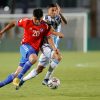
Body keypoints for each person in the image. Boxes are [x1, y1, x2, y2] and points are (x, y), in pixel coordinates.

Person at [0, 8, 59, 88]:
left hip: (33, 51)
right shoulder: (26, 22)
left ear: (42, 18)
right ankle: (19, 78)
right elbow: (14, 23)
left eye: (39, 19)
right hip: (25, 46)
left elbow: (49, 38)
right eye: (35, 19)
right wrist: (2, 32)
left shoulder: (45, 26)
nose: (37, 21)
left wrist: (54, 48)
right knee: (34, 58)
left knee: (16, 73)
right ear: (32, 17)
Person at [17, 3, 67, 89]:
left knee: (39, 70)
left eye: (55, 10)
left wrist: (60, 13)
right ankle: (46, 79)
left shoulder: (58, 17)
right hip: (46, 45)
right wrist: (57, 34)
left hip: (52, 46)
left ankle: (22, 80)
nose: (54, 12)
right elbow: (48, 32)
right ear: (48, 11)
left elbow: (65, 22)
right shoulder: (44, 19)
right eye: (52, 10)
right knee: (58, 57)